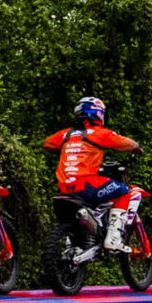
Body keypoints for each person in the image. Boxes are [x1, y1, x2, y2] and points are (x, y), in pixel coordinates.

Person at [46, 96, 142, 242]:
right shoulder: (99, 133)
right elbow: (127, 144)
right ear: (98, 113)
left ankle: (81, 239)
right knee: (124, 191)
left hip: (64, 189)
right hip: (86, 186)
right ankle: (114, 237)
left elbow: (47, 144)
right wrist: (137, 148)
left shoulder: (65, 134)